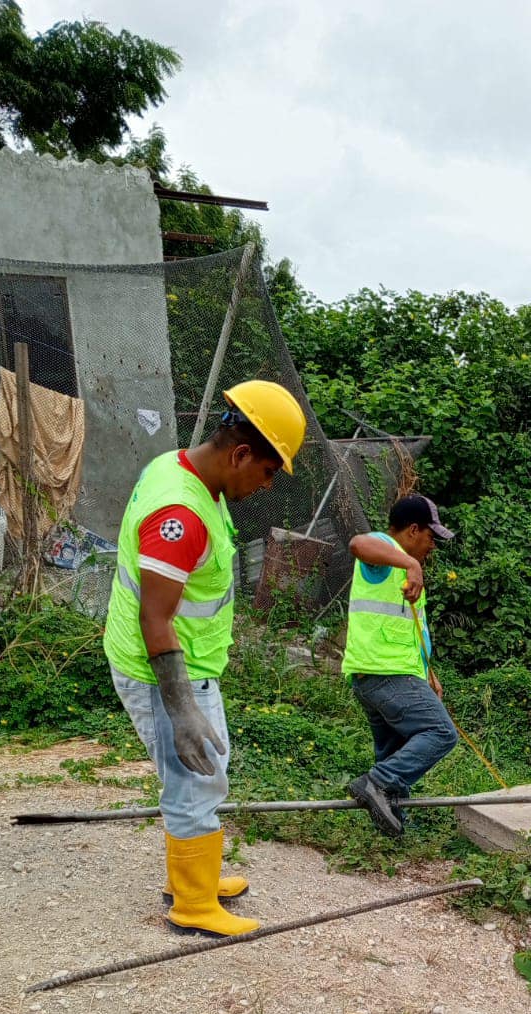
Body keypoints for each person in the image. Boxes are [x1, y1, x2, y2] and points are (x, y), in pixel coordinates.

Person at [103, 381, 307, 935]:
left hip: (182, 664)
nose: (266, 486)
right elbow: (156, 619)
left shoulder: (182, 470)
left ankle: (194, 876)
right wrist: (181, 709)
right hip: (164, 670)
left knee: (200, 773)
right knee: (195, 778)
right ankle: (193, 905)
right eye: (268, 472)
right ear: (240, 454)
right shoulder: (182, 513)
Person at [341, 493, 458, 836]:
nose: (432, 546)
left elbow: (410, 630)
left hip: (380, 675)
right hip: (386, 674)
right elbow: (358, 543)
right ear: (412, 530)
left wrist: (428, 673)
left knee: (395, 750)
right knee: (441, 732)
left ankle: (391, 833)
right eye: (430, 537)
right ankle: (376, 782)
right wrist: (411, 564)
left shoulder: (403, 572)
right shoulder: (385, 550)